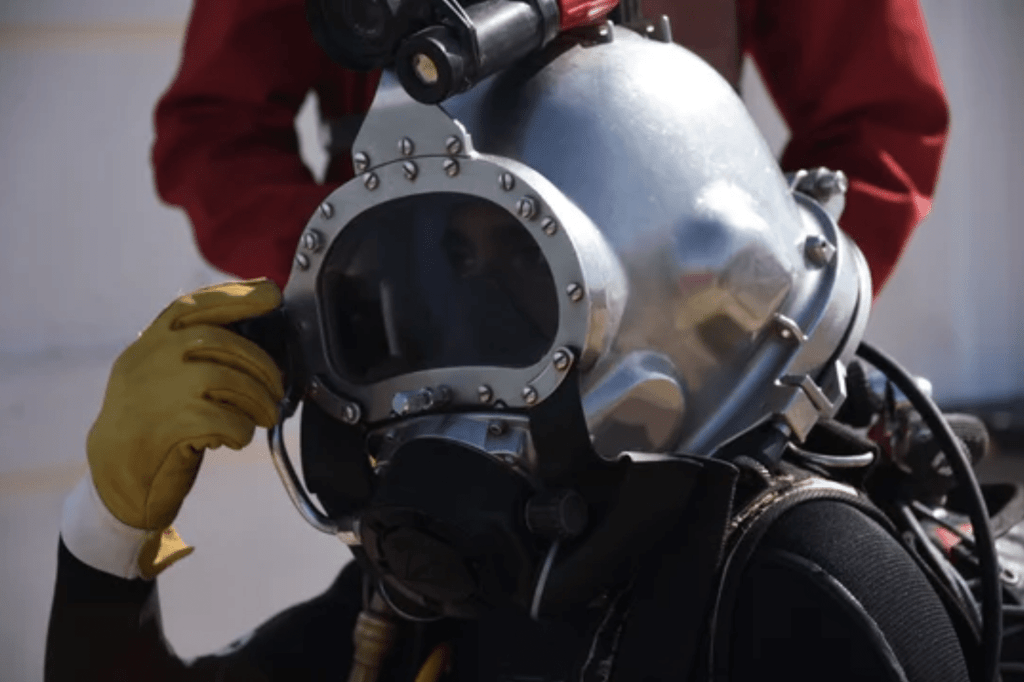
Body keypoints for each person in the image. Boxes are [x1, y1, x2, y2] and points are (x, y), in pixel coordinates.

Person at [48, 19, 991, 681]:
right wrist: (106, 531)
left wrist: (721, 321)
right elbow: (215, 123)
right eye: (456, 274)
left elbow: (884, 116)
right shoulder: (435, 591)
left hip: (679, 276)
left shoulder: (805, 594)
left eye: (513, 287)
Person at [152, 0, 949, 298]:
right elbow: (213, 134)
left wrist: (776, 304)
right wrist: (358, 269)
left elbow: (881, 122)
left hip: (696, 382)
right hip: (428, 396)